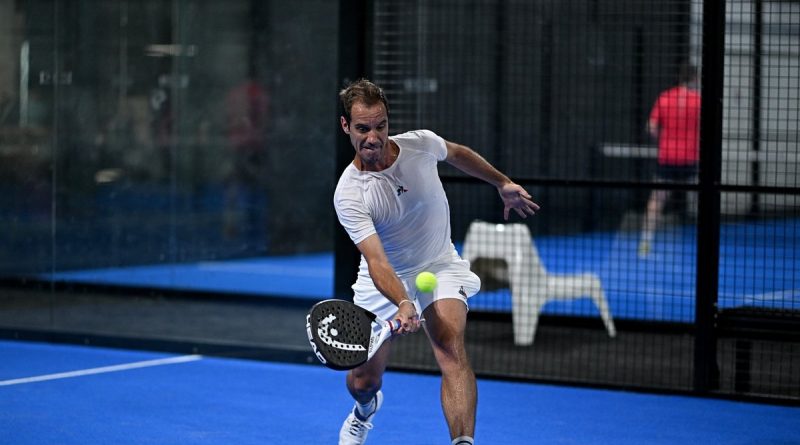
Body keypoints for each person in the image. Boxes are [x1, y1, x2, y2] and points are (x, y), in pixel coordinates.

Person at [333, 79, 540, 445]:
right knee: (364, 381)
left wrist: (501, 183)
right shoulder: (349, 193)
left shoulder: (420, 145)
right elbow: (377, 261)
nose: (374, 137)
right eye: (363, 128)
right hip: (383, 278)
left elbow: (459, 154)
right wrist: (402, 301)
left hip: (438, 265)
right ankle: (364, 411)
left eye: (380, 126)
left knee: (450, 347)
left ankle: (463, 442)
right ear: (346, 126)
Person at [638, 63, 701, 258]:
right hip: (690, 159)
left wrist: (666, 138)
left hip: (667, 157)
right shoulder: (699, 101)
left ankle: (645, 243)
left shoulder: (665, 97)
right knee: (704, 198)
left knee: (656, 200)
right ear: (695, 78)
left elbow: (651, 127)